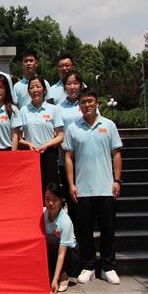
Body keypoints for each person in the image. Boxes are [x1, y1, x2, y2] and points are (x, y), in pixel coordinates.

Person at [63, 89, 123, 286]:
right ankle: (88, 266)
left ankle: (108, 266)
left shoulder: (109, 125)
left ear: (97, 103)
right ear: (79, 106)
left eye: (90, 101)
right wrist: (71, 184)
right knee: (84, 230)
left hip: (106, 187)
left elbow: (116, 153)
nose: (87, 105)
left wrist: (117, 180)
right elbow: (68, 157)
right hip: (83, 188)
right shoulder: (73, 128)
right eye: (83, 102)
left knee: (108, 229)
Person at [12, 74, 64, 192]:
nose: (35, 90)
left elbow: (61, 135)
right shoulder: (23, 110)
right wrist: (28, 144)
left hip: (49, 154)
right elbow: (18, 137)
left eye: (38, 87)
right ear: (28, 91)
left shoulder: (53, 109)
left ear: (44, 90)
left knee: (50, 189)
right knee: (32, 189)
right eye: (32, 87)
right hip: (30, 155)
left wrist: (46, 145)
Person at [58, 69, 88, 235]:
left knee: (86, 198)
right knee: (72, 198)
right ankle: (74, 234)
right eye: (68, 84)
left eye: (75, 83)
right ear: (64, 87)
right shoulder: (59, 108)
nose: (72, 87)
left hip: (86, 160)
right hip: (66, 159)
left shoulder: (87, 104)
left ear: (81, 85)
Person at [43, 182, 80, 294]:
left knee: (52, 240)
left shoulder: (65, 221)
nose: (50, 203)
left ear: (61, 200)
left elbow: (61, 254)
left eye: (55, 200)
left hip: (69, 256)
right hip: (52, 254)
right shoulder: (42, 213)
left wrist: (55, 280)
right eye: (47, 199)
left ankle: (63, 275)